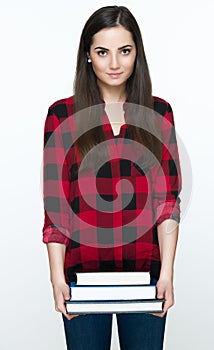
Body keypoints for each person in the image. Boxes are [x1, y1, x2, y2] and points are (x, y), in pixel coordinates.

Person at [42, 5, 182, 350]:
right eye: (103, 52)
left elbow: (168, 202)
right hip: (83, 276)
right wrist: (57, 277)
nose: (115, 63)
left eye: (125, 51)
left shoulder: (158, 112)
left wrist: (166, 274)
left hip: (145, 274)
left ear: (137, 54)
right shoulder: (62, 115)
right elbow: (56, 204)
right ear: (88, 56)